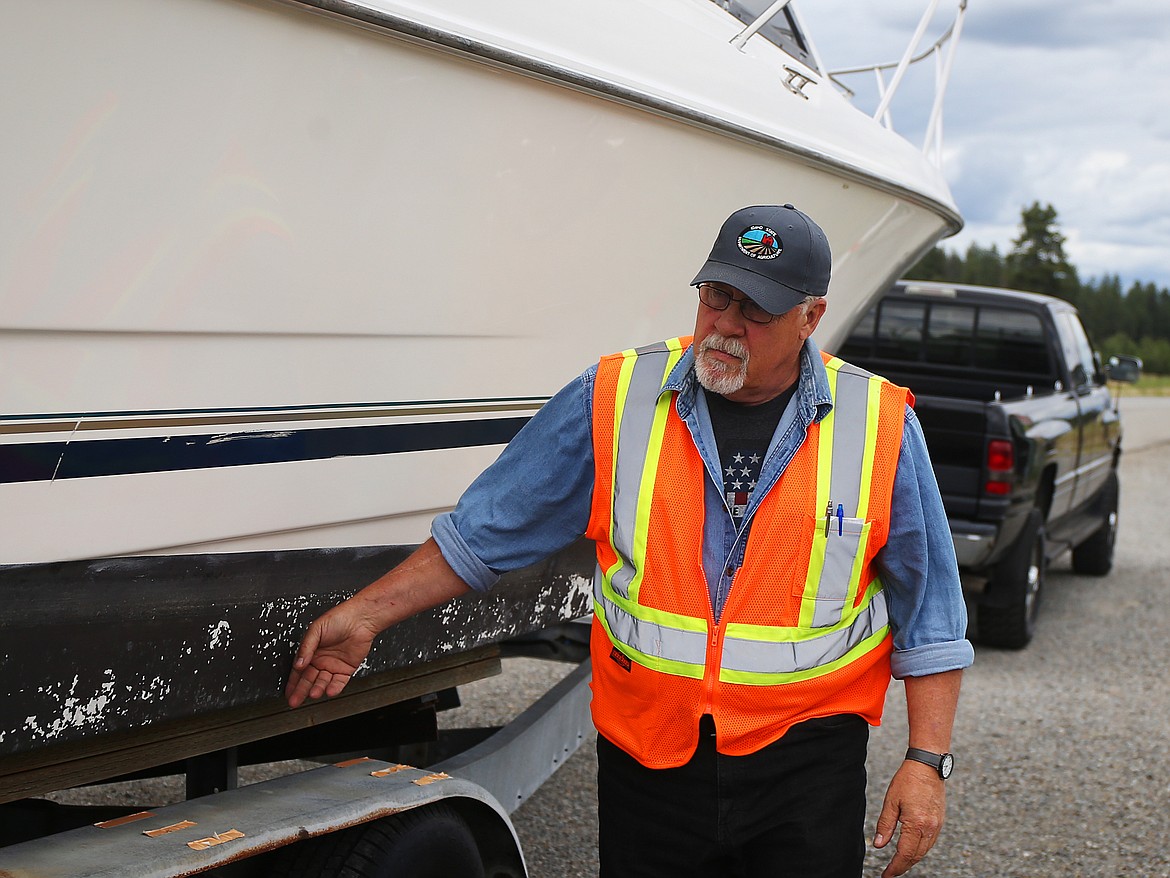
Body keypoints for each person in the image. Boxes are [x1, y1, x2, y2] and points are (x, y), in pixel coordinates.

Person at [286, 204, 974, 878]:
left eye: (754, 311)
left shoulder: (877, 424)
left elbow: (931, 611)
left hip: (806, 767)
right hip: (648, 759)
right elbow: (483, 533)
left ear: (810, 318)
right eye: (715, 296)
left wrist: (927, 761)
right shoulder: (615, 395)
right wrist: (368, 614)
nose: (724, 327)